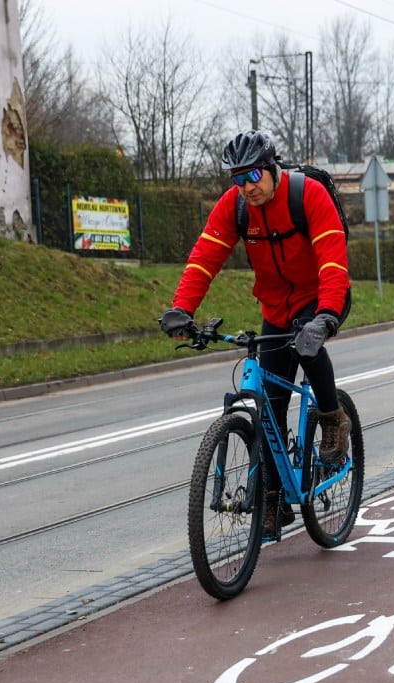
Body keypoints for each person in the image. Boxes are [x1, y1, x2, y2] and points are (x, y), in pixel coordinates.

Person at [159, 130, 352, 539]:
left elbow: (333, 263)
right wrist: (182, 308)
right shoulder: (236, 208)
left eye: (253, 177)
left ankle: (334, 419)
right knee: (272, 408)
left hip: (320, 297)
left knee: (309, 350)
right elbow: (204, 257)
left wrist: (326, 317)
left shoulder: (308, 195)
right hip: (275, 307)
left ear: (271, 168)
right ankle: (274, 498)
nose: (247, 187)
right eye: (237, 179)